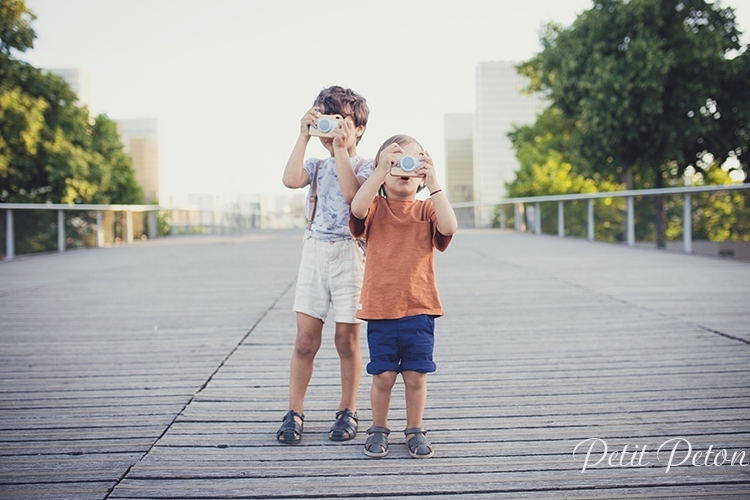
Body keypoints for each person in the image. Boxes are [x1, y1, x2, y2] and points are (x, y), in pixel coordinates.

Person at [349, 134, 458, 458]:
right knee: (382, 375)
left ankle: (414, 429)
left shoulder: (427, 209)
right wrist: (379, 171)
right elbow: (356, 207)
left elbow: (449, 227)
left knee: (415, 375)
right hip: (381, 309)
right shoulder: (375, 207)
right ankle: (379, 428)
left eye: (413, 161)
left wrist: (435, 181)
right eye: (395, 161)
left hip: (419, 308)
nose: (403, 167)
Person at [277, 86, 373, 444]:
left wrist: (342, 151)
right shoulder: (316, 166)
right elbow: (289, 180)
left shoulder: (368, 166)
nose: (331, 127)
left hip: (351, 254)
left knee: (346, 340)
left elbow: (352, 196)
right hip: (315, 252)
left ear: (358, 128)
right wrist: (303, 136)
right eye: (325, 119)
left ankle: (348, 409)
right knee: (305, 340)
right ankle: (294, 410)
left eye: (339, 120)